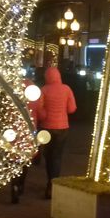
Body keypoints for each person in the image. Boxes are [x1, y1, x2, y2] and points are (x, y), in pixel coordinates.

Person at [38, 66, 76, 199]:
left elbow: (40, 109)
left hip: (47, 128)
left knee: (48, 155)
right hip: (62, 127)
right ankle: (53, 184)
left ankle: (50, 181)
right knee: (57, 156)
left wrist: (44, 116)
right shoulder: (66, 89)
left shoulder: (44, 90)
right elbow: (72, 109)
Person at [11, 79, 45, 204]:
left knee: (14, 159)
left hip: (14, 130)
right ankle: (21, 185)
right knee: (25, 159)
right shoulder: (35, 94)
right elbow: (41, 114)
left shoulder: (13, 91)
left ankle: (14, 185)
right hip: (29, 130)